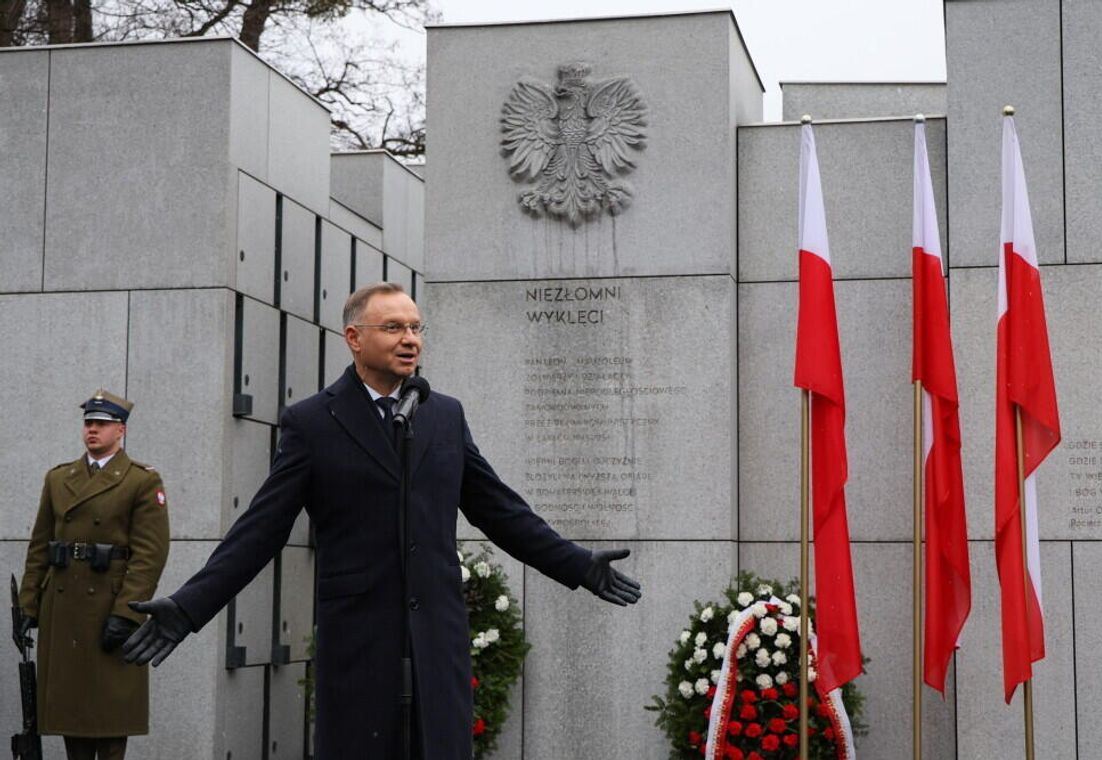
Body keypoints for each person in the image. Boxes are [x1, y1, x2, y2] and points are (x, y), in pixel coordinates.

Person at [122, 282, 641, 759]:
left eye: (415, 328)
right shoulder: (311, 422)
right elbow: (260, 529)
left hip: (437, 644)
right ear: (353, 338)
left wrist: (577, 565)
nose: (409, 339)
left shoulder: (444, 414)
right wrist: (189, 608)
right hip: (359, 645)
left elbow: (500, 510)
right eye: (393, 328)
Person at [17, 390, 170, 760]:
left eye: (101, 424)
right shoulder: (58, 478)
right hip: (64, 608)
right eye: (88, 423)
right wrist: (28, 605)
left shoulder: (141, 481)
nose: (92, 431)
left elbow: (150, 554)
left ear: (121, 430)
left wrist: (127, 614)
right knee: (73, 717)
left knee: (111, 718)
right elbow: (40, 546)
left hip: (109, 607)